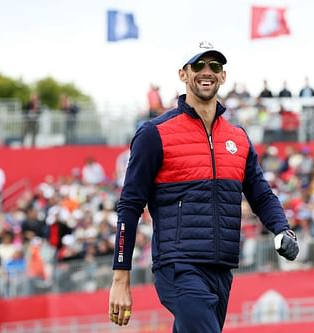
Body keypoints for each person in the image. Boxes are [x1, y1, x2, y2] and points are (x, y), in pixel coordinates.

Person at [108, 41, 299, 331]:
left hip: (222, 268)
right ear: (183, 74)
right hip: (177, 266)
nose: (206, 71)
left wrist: (282, 228)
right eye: (197, 65)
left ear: (223, 76)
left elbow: (261, 194)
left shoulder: (239, 137)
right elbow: (130, 206)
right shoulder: (154, 134)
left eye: (214, 66)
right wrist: (120, 278)